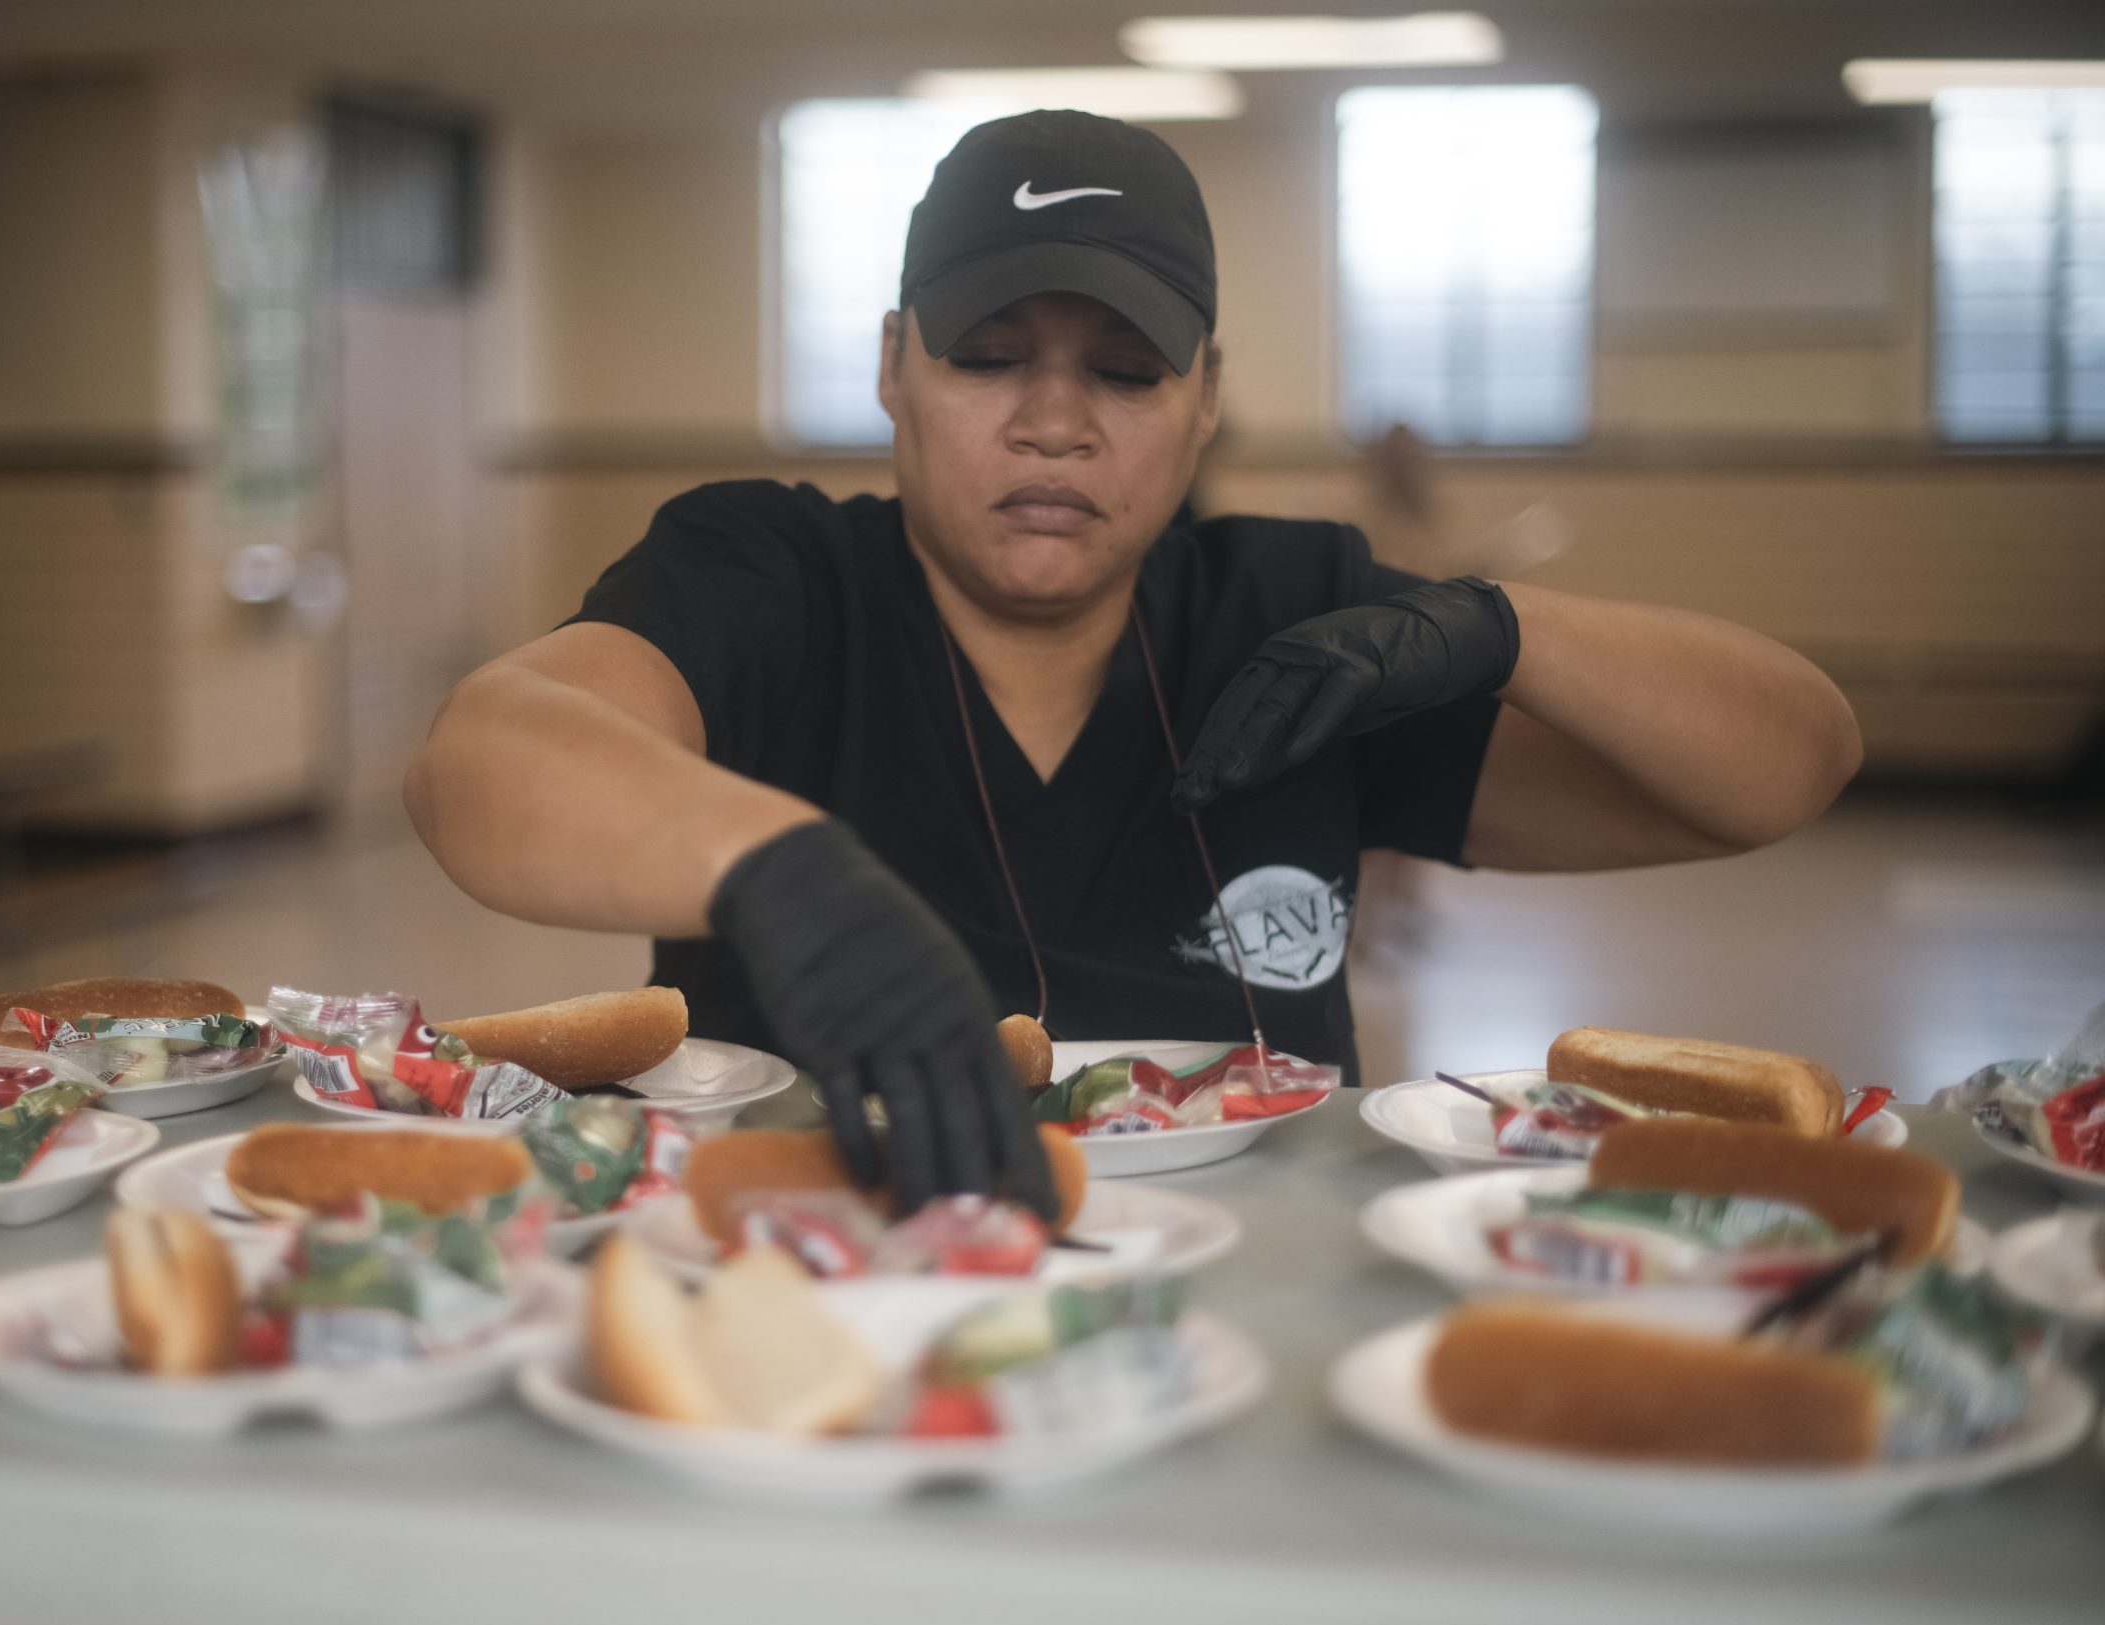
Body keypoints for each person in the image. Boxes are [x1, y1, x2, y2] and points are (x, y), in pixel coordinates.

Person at [405, 110, 1861, 1220]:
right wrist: (778, 875)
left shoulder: (1297, 621)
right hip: (823, 1261)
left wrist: (1504, 627)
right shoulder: (773, 580)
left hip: (1257, 1276)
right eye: (988, 354)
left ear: (1208, 398)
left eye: (1124, 369)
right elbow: (480, 761)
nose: (1056, 421)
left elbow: (1787, 767)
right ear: (893, 365)